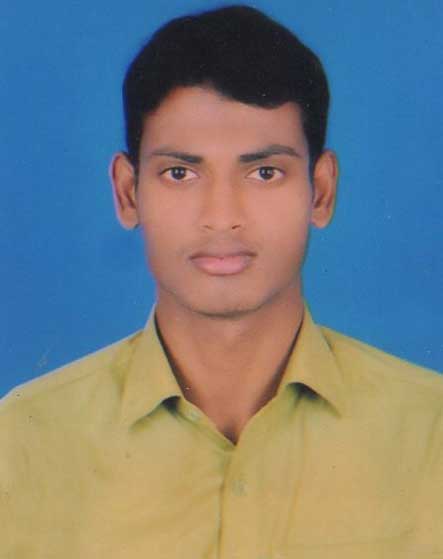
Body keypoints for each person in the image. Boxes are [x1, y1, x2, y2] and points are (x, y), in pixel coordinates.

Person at [1, 5, 442, 558]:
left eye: (264, 172)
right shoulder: (22, 440)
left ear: (322, 191)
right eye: (180, 173)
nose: (222, 216)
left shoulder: (431, 431)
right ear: (128, 193)